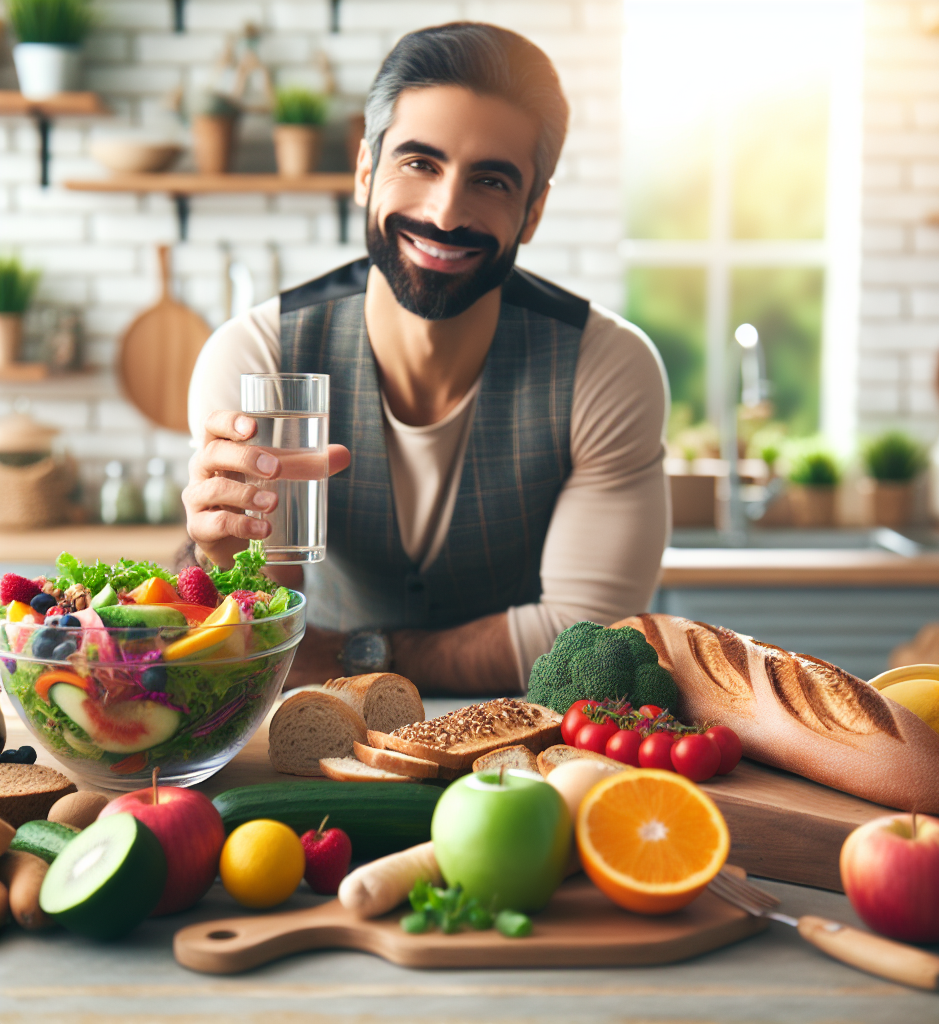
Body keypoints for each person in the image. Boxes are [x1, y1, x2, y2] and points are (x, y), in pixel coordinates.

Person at [185, 22, 669, 695]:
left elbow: (584, 638)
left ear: (533, 212)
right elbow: (266, 630)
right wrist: (220, 558)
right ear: (364, 171)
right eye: (420, 163)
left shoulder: (606, 367)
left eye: (492, 181)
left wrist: (355, 655)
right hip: (316, 736)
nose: (446, 212)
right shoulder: (257, 356)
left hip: (531, 752)